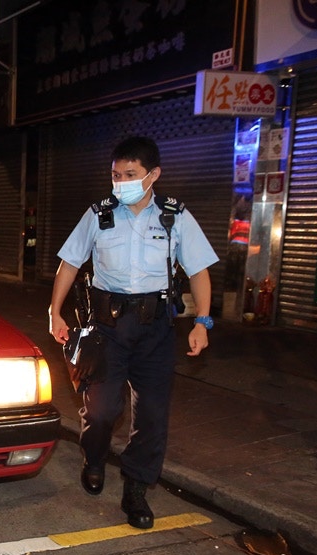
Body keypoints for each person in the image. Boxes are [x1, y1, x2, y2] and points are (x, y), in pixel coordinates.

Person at [48, 135, 218, 529]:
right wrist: (55, 311)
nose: (120, 182)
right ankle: (94, 457)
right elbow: (69, 263)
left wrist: (202, 322)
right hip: (108, 326)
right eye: (115, 174)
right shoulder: (99, 214)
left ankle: (137, 487)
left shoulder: (175, 216)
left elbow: (199, 271)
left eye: (129, 174)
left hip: (155, 327)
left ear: (153, 175)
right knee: (102, 409)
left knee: (152, 414)